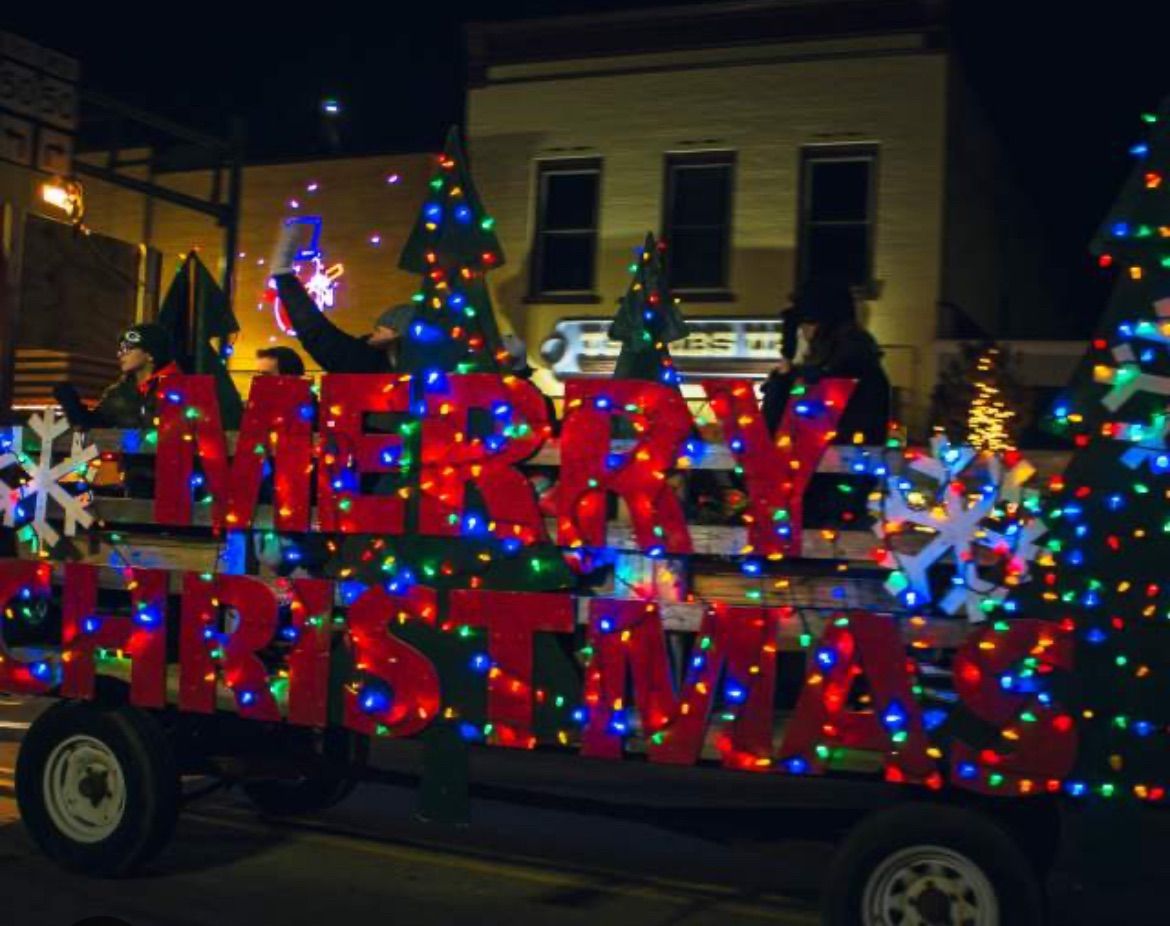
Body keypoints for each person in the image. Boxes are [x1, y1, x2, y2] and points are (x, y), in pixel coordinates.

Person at [269, 224, 416, 374]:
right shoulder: (368, 358)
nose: (373, 336)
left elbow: (316, 332)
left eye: (379, 330)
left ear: (397, 333)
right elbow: (317, 333)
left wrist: (283, 276)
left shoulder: (365, 360)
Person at [762, 279, 891, 445]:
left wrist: (787, 362)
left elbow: (777, 422)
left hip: (835, 463)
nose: (802, 331)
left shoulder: (844, 365)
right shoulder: (856, 357)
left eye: (806, 322)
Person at [54, 323, 181, 430]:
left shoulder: (179, 389)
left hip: (169, 459)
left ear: (150, 353)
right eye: (120, 349)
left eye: (128, 348)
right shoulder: (119, 393)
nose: (120, 354)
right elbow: (94, 425)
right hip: (128, 459)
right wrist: (71, 402)